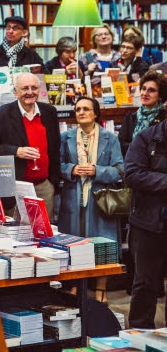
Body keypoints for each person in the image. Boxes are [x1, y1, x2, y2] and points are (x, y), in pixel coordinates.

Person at [0, 72, 61, 220]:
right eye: (25, 88)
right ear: (15, 92)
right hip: (14, 186)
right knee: (16, 232)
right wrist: (16, 151)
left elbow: (55, 148)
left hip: (44, 186)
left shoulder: (49, 112)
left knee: (44, 231)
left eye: (34, 88)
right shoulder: (1, 115)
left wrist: (53, 182)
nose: (30, 92)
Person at [58, 96, 123, 247]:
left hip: (100, 199)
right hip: (72, 197)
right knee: (72, 246)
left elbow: (120, 169)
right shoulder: (65, 137)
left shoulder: (111, 138)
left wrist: (97, 171)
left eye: (86, 109)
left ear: (95, 114)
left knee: (101, 247)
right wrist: (71, 169)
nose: (81, 112)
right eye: (78, 109)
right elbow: (56, 166)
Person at [124, 116, 167, 329]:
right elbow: (132, 174)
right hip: (148, 223)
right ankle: (139, 337)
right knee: (145, 283)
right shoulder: (146, 138)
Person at [118, 70, 167, 156]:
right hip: (131, 163)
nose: (145, 93)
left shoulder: (164, 118)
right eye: (143, 89)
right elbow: (121, 145)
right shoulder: (130, 117)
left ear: (160, 96)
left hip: (155, 167)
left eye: (151, 90)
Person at [0, 16, 45, 82]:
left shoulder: (32, 56)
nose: (10, 31)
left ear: (23, 32)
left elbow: (42, 80)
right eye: (8, 27)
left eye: (15, 28)